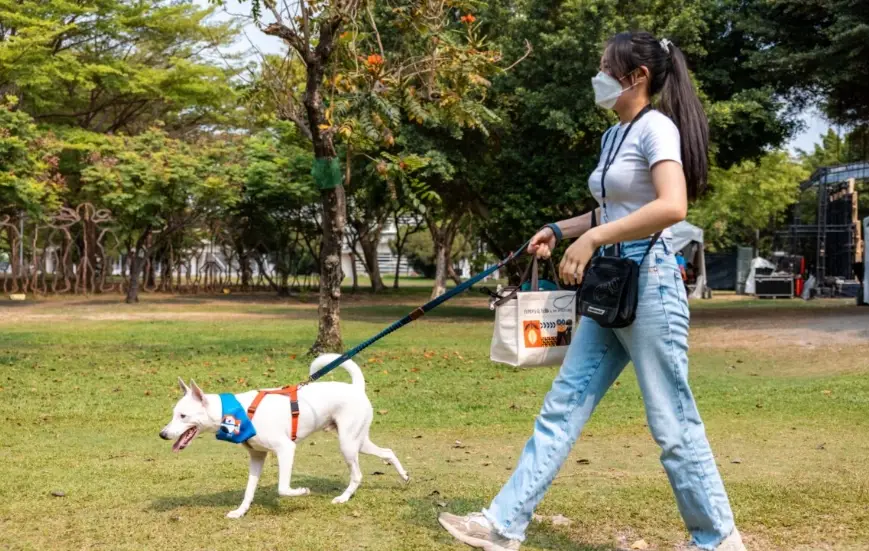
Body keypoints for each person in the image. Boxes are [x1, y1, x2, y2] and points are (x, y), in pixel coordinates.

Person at [438, 31, 745, 551]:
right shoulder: (613, 137)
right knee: (563, 404)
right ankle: (503, 525)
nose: (599, 77)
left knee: (671, 424)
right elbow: (613, 208)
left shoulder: (657, 129)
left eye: (606, 67)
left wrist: (597, 237)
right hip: (610, 287)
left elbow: (673, 206)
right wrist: (561, 230)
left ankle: (717, 541)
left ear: (637, 76)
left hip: (650, 284)